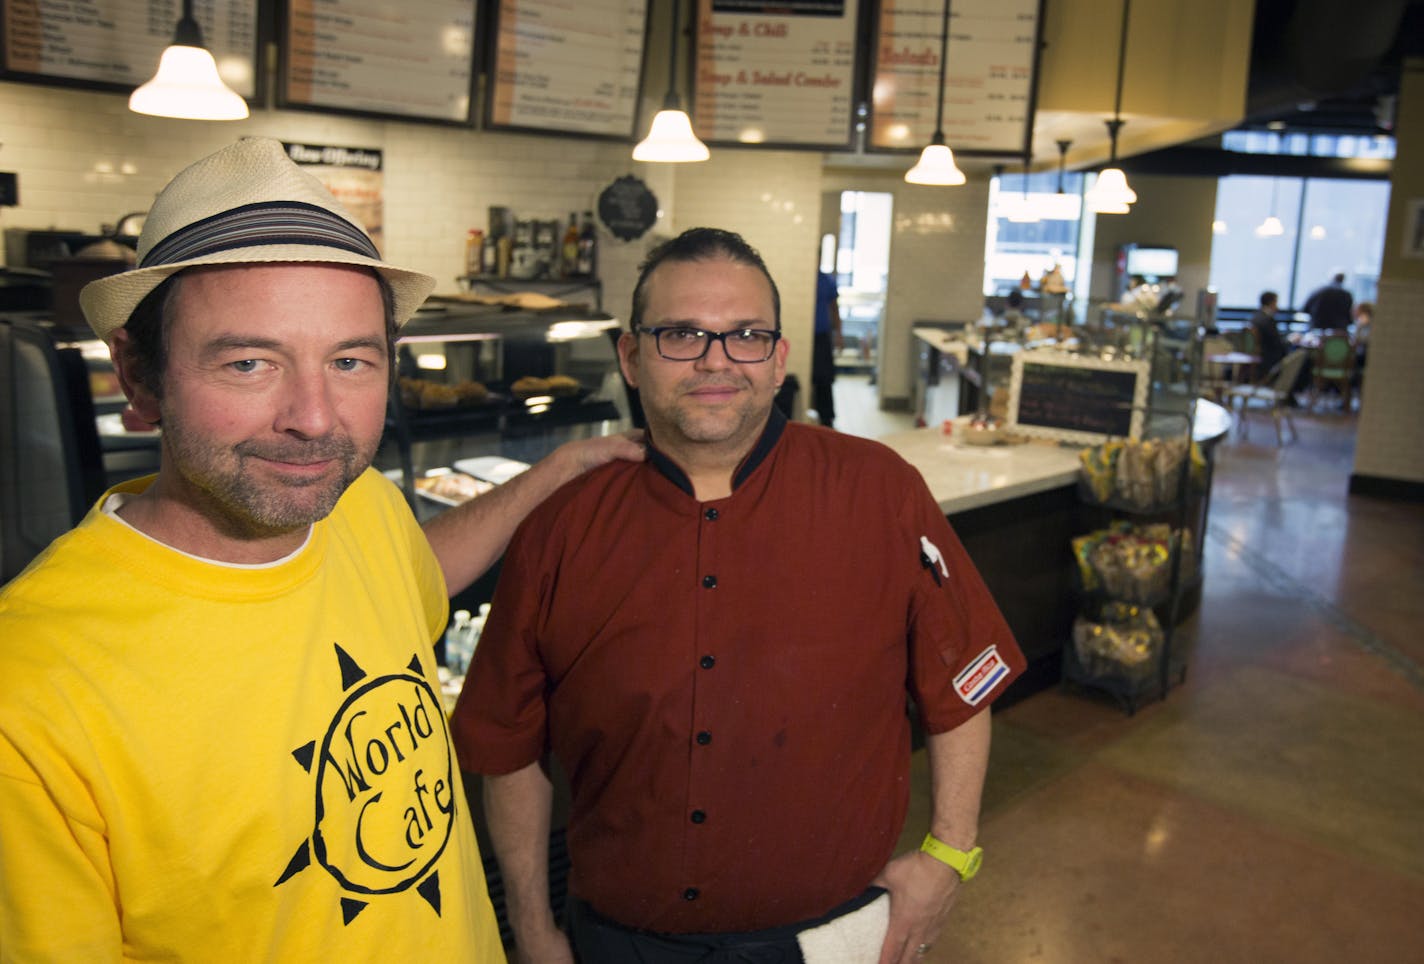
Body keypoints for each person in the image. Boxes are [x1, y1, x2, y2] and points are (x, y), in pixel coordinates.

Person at [0, 137, 642, 961]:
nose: (314, 418)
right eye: (248, 362)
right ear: (138, 377)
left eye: (348, 360)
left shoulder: (358, 506)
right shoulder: (30, 700)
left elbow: (415, 573)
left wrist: (560, 468)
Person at [452, 227, 1025, 964]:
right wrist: (531, 927)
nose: (717, 360)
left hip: (836, 938)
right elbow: (508, 746)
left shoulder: (878, 491)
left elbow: (963, 685)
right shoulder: (560, 523)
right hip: (617, 942)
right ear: (631, 357)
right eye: (682, 334)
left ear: (780, 358)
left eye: (747, 335)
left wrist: (950, 856)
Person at [811, 261, 842, 428]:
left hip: (822, 336)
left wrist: (839, 334)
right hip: (806, 336)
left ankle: (826, 419)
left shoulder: (827, 280)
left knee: (824, 379)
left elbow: (834, 308)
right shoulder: (805, 279)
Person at [1249, 290, 1288, 373]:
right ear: (1271, 303)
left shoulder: (1256, 317)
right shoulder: (1268, 320)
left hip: (1258, 356)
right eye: (1276, 302)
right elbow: (1276, 343)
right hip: (1268, 358)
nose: (1277, 307)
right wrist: (1290, 341)